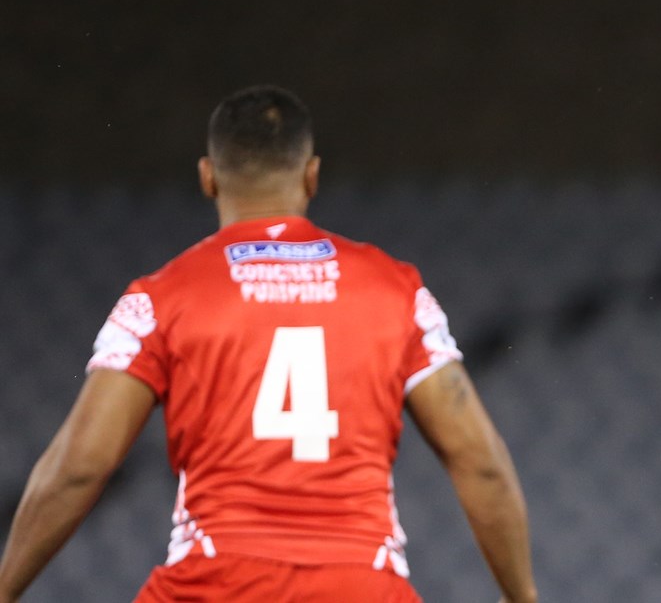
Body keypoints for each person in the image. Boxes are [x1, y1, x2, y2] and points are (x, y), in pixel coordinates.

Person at [0, 86, 537, 603]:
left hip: (214, 577)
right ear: (312, 175)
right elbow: (479, 461)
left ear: (208, 178)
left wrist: (6, 588)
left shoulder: (161, 297)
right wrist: (519, 595)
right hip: (361, 578)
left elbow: (82, 465)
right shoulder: (396, 290)